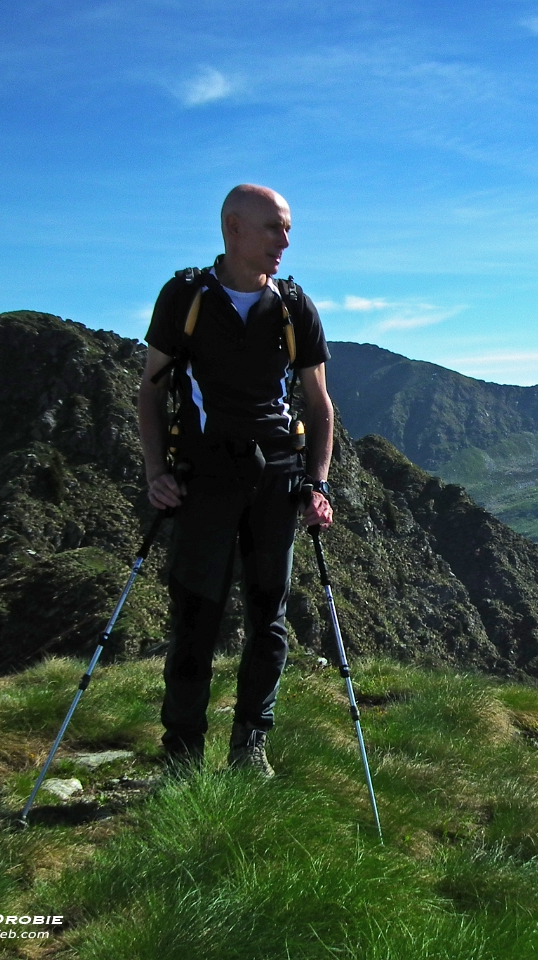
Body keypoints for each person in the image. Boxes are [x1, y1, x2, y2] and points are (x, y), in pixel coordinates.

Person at [137, 184, 334, 776]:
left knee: (267, 616)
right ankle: (184, 755)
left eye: (288, 228)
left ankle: (251, 744)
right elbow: (150, 392)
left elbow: (319, 404)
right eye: (274, 227)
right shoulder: (185, 298)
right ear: (233, 228)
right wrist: (156, 474)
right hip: (204, 479)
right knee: (196, 616)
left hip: (277, 480)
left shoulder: (294, 306)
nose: (285, 240)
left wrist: (318, 484)